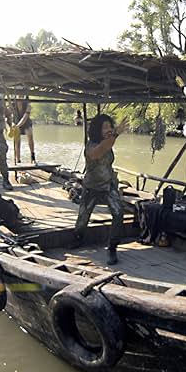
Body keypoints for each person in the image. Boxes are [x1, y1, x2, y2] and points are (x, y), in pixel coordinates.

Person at [73, 114, 128, 265]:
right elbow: (99, 152)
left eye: (110, 126)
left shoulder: (109, 143)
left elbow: (107, 146)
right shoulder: (91, 145)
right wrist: (116, 133)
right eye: (105, 127)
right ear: (97, 130)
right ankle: (78, 238)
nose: (109, 130)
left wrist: (114, 135)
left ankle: (112, 248)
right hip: (91, 187)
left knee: (118, 213)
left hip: (108, 185)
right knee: (83, 218)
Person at [10, 96, 35, 163]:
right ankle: (18, 160)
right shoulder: (12, 104)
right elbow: (9, 116)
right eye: (19, 95)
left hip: (26, 123)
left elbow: (25, 117)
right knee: (17, 141)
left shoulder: (28, 105)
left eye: (22, 95)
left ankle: (32, 156)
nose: (20, 97)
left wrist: (18, 125)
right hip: (16, 122)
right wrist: (12, 124)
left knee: (29, 134)